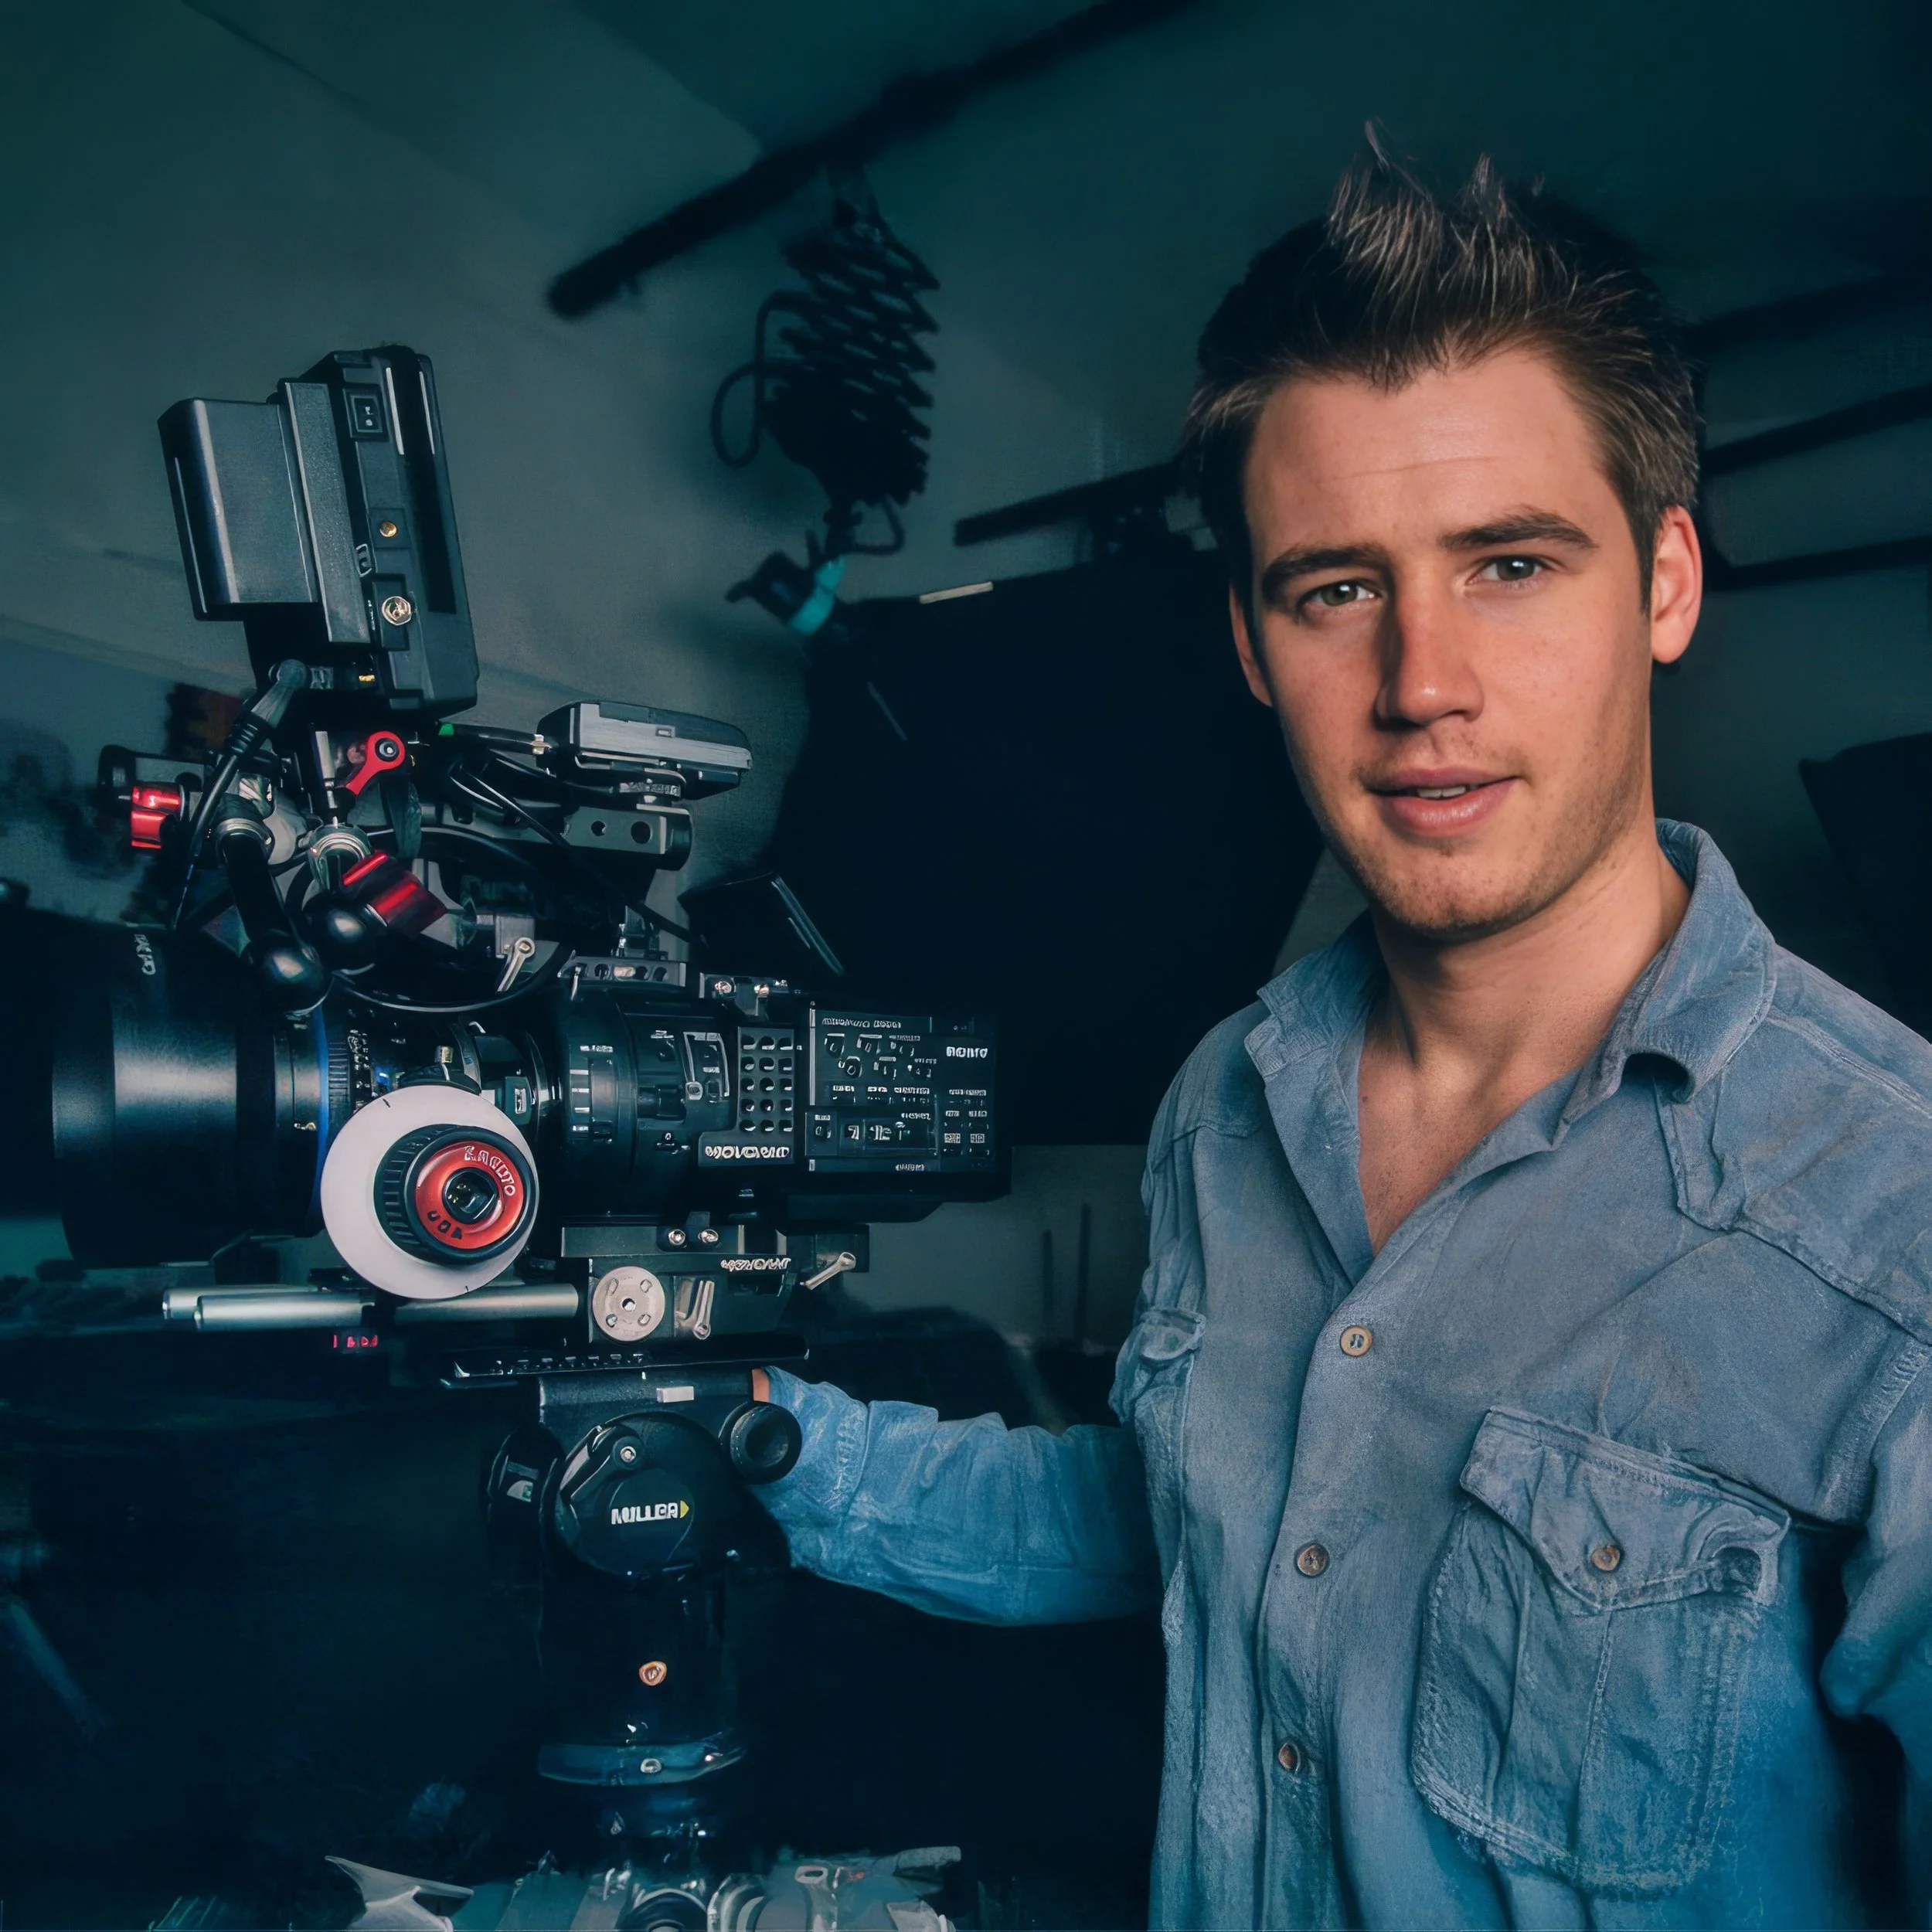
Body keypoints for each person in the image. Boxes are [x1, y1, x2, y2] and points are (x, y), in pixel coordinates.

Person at [754, 148, 1932, 1928]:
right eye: (1332, 589)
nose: (1420, 681)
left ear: (1664, 582)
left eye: (1509, 563)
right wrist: (761, 1439)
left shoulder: (1890, 1215)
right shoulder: (1222, 1101)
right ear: (1249, 641)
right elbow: (1163, 1509)